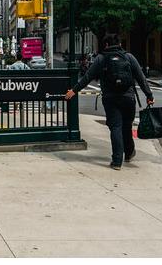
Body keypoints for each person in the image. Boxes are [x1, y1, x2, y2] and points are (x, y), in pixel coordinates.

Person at [64, 33, 154, 170]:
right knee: (126, 126)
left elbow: (87, 77)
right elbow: (141, 78)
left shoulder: (101, 59)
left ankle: (117, 161)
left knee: (115, 127)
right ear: (119, 44)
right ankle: (129, 153)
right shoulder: (129, 57)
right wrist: (149, 95)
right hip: (128, 97)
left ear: (106, 45)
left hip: (110, 98)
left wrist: (74, 90)